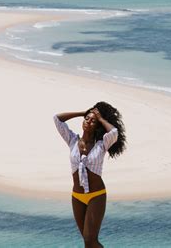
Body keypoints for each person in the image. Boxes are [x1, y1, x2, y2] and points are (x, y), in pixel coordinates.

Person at [54, 101, 126, 248]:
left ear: (97, 125)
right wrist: (83, 112)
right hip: (77, 196)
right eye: (87, 119)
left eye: (93, 121)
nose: (88, 122)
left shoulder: (101, 145)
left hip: (96, 195)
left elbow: (114, 133)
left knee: (89, 240)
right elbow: (57, 118)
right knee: (88, 242)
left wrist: (100, 119)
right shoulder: (72, 140)